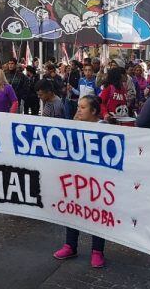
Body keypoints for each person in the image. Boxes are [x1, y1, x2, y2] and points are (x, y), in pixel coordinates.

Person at [53, 95, 106, 268]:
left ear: (94, 111)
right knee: (73, 210)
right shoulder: (75, 125)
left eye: (83, 107)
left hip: (97, 180)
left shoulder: (104, 128)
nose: (78, 110)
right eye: (78, 106)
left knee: (98, 214)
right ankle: (70, 245)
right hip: (76, 178)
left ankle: (97, 251)